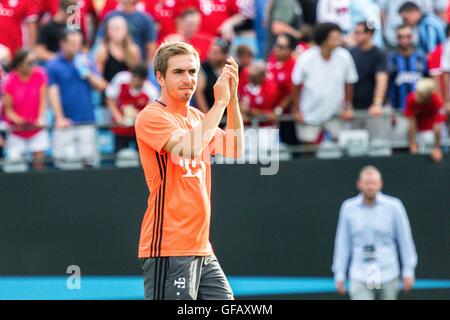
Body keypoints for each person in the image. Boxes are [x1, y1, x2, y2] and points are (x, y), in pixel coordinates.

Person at [135, 41, 244, 300]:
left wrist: (232, 99)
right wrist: (219, 105)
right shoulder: (151, 116)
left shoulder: (197, 117)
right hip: (169, 247)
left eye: (193, 72)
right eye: (179, 72)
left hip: (201, 247)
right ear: (160, 77)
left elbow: (236, 147)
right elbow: (190, 148)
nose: (188, 78)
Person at [332, 166, 418, 300]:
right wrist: (339, 273)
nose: (370, 187)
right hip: (360, 272)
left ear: (380, 184)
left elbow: (405, 240)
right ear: (359, 184)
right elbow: (342, 243)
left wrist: (409, 270)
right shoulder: (348, 208)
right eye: (367, 183)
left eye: (373, 183)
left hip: (388, 271)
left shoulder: (394, 206)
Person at [46, 29, 107, 167]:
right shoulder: (53, 65)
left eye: (78, 43)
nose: (76, 47)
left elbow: (101, 86)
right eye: (72, 43)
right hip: (65, 123)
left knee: (89, 163)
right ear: (62, 44)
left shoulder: (86, 60)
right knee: (64, 162)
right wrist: (59, 117)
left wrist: (87, 72)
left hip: (86, 120)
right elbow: (52, 92)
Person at [291, 23, 358, 144]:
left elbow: (349, 82)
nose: (338, 40)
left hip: (335, 113)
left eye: (339, 37)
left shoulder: (345, 56)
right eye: (333, 37)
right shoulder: (306, 58)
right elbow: (296, 84)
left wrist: (347, 106)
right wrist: (296, 110)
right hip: (309, 113)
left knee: (339, 147)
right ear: (323, 39)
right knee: (309, 149)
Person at [1, 50, 49, 169]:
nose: (33, 66)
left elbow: (43, 101)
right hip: (16, 130)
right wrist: (18, 120)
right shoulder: (10, 81)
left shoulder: (40, 75)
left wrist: (41, 117)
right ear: (19, 64)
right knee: (16, 166)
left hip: (36, 128)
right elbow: (8, 110)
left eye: (34, 62)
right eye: (29, 63)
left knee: (39, 164)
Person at [105, 64, 158, 152]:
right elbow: (109, 99)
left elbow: (151, 116)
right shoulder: (121, 79)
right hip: (120, 128)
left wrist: (138, 116)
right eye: (133, 77)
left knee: (141, 158)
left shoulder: (151, 93)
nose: (133, 81)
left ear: (144, 80)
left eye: (136, 79)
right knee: (118, 156)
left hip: (139, 132)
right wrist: (118, 116)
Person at [98, 0, 157, 64]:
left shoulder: (145, 19)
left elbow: (151, 46)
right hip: (111, 60)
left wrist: (146, 68)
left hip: (135, 61)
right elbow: (100, 39)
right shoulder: (110, 16)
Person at [387, 25, 429, 111]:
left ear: (412, 37)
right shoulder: (391, 58)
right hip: (397, 109)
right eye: (400, 37)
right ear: (396, 38)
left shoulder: (421, 57)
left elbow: (428, 80)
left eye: (408, 36)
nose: (404, 40)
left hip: (420, 110)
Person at [405, 78, 445, 161]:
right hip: (417, 132)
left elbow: (437, 128)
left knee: (428, 137)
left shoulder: (436, 100)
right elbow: (411, 124)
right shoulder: (411, 99)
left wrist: (437, 148)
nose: (416, 96)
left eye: (420, 94)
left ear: (429, 95)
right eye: (416, 92)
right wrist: (412, 144)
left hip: (431, 133)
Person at [379, 0, 448, 49]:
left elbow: (431, 51)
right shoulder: (424, 22)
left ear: (414, 13)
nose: (405, 22)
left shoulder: (428, 25)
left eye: (405, 19)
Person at [95, 15, 141, 84]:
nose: (116, 31)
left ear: (126, 30)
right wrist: (111, 89)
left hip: (128, 90)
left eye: (119, 28)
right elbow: (98, 77)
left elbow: (138, 76)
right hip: (109, 90)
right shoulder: (103, 50)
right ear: (108, 32)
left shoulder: (134, 50)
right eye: (113, 28)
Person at [195, 37, 231, 113]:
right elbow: (199, 94)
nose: (210, 56)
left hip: (227, 116)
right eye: (210, 52)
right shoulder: (203, 68)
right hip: (210, 113)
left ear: (225, 55)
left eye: (215, 53)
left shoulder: (230, 68)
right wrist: (208, 117)